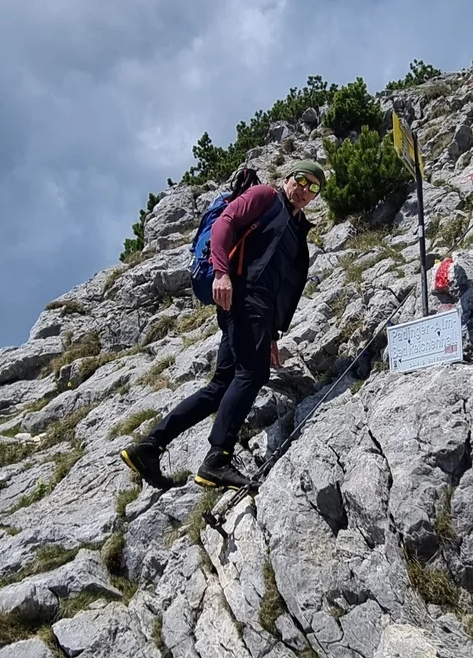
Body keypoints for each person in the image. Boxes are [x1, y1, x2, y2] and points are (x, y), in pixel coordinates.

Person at [119, 160, 325, 491]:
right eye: (301, 180)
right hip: (242, 296)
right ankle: (217, 459)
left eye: (313, 187)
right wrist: (221, 272)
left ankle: (149, 446)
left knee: (221, 385)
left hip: (254, 307)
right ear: (288, 178)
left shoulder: (295, 227)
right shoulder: (265, 197)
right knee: (252, 375)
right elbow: (225, 224)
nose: (304, 190)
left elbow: (276, 281)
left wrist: (271, 334)